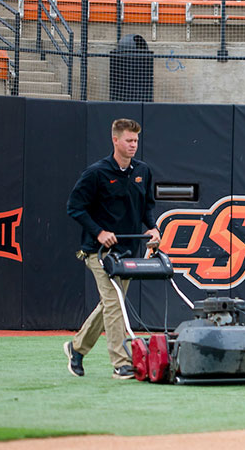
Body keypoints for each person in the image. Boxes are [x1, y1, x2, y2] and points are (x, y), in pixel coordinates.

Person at [63, 118, 160, 379]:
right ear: (115, 140)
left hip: (128, 252)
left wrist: (152, 228)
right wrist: (100, 232)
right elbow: (74, 207)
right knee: (114, 303)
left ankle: (76, 348)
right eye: (129, 140)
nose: (133, 145)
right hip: (98, 252)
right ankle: (121, 362)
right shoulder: (96, 173)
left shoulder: (143, 170)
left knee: (110, 305)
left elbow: (148, 206)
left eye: (136, 140)